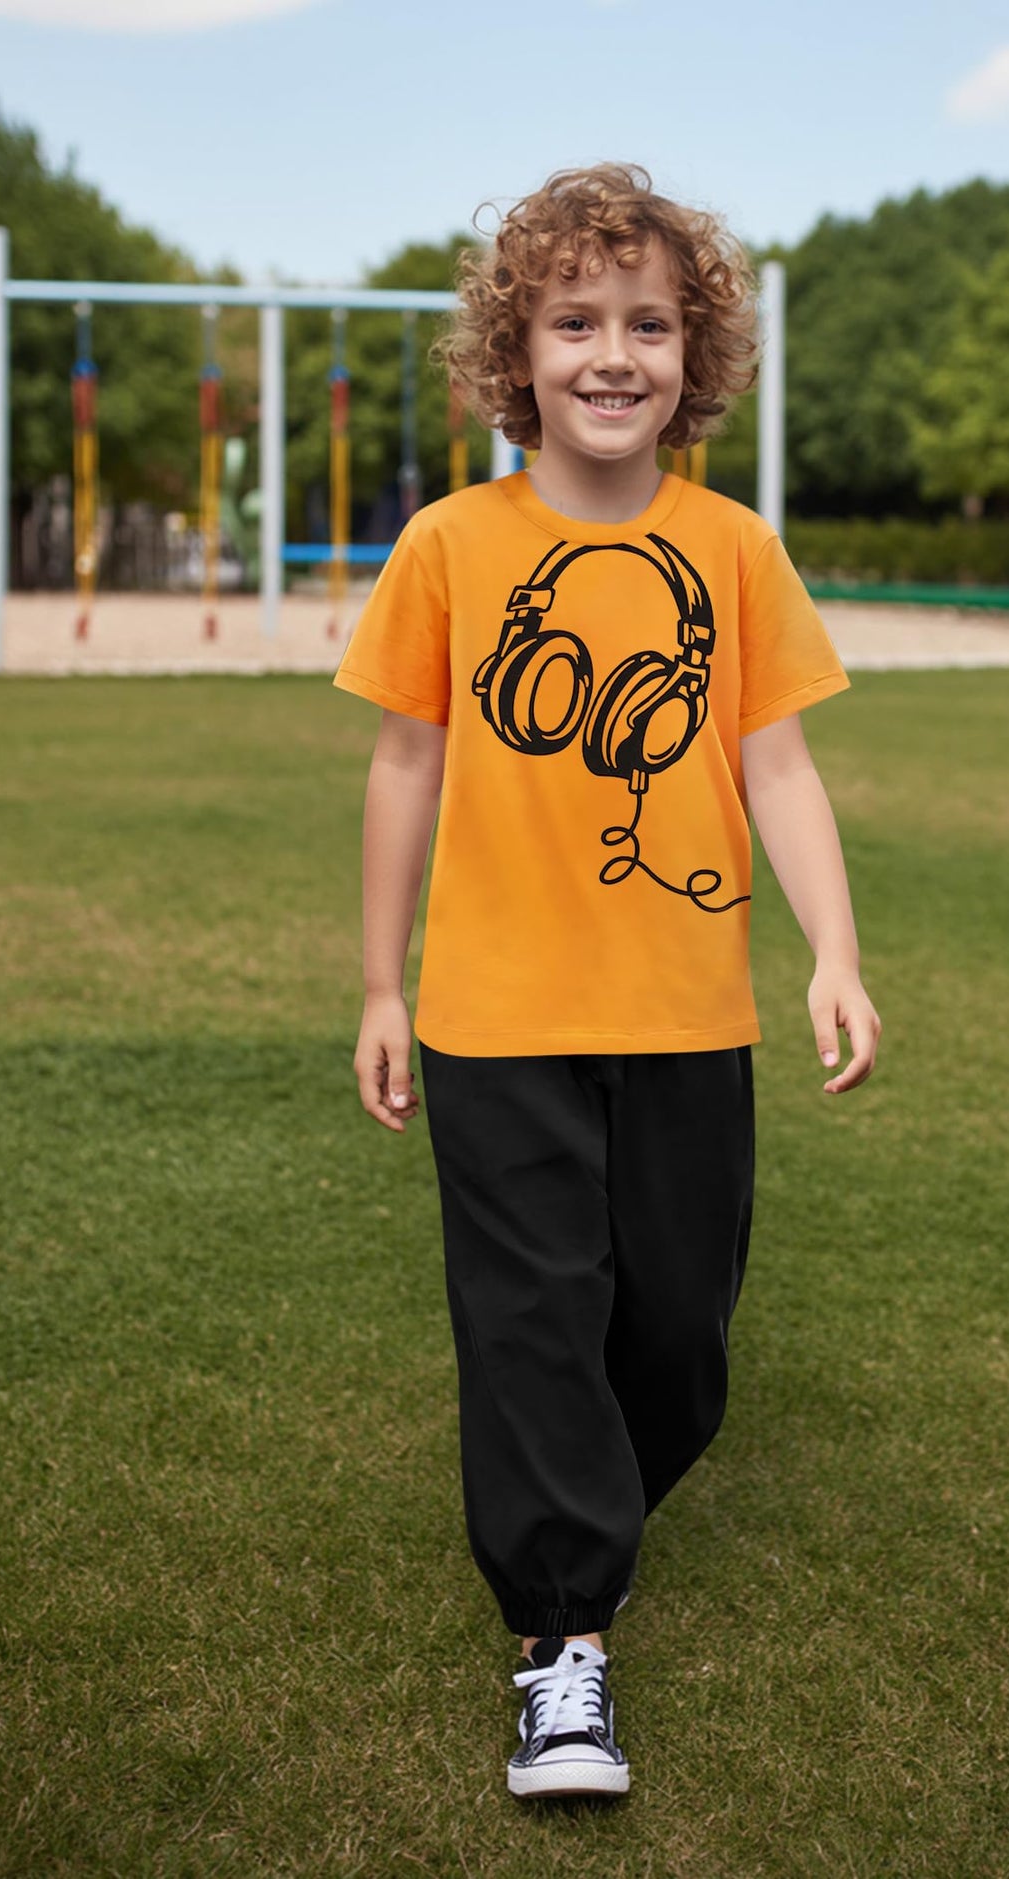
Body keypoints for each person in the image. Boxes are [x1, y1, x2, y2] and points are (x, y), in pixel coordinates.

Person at [334, 162, 880, 1801]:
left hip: (686, 1021)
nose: (612, 354)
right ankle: (562, 1639)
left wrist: (834, 952)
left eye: (648, 323)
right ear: (520, 352)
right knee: (529, 1323)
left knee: (678, 1338)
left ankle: (583, 1502)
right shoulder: (448, 544)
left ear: (692, 354)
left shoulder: (730, 548)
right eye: (574, 321)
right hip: (493, 1019)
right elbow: (404, 767)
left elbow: (775, 769)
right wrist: (378, 985)